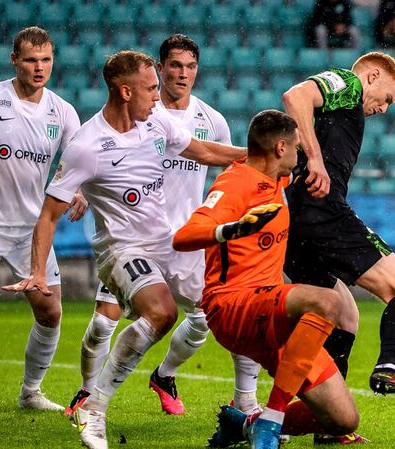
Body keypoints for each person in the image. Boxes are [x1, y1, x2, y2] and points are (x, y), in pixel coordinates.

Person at [4, 50, 246, 449]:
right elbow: (49, 215)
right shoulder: (87, 145)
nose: (159, 96)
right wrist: (37, 271)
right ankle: (93, 406)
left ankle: (248, 407)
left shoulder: (157, 122)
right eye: (151, 88)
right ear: (125, 91)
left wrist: (259, 158)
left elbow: (205, 153)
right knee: (161, 312)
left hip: (167, 240)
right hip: (122, 247)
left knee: (227, 305)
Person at [62, 34, 263, 419]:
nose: (182, 74)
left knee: (211, 317)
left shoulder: (212, 121)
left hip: (185, 239)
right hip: (133, 238)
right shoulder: (138, 116)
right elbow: (99, 162)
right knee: (105, 320)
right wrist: (84, 190)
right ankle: (87, 394)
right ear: (160, 67)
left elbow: (223, 166)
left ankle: (167, 376)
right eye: (174, 66)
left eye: (190, 67)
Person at [173, 109, 359, 449]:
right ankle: (271, 420)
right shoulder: (235, 183)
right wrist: (231, 230)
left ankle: (244, 425)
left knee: (342, 420)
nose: (300, 153)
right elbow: (184, 236)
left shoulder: (277, 177)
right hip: (233, 304)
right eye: (297, 147)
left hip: (270, 311)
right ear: (280, 148)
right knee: (327, 301)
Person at [282, 51, 395, 415]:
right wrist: (316, 159)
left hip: (297, 226)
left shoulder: (346, 109)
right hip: (322, 213)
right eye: (387, 98)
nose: (384, 109)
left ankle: (325, 418)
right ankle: (389, 365)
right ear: (372, 76)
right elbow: (296, 96)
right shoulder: (349, 83)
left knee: (343, 315)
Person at [0, 26, 85, 411]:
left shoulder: (63, 111)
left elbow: (78, 163)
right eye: (30, 60)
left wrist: (77, 189)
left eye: (46, 60)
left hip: (32, 229)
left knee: (51, 311)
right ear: (15, 60)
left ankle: (30, 394)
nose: (39, 68)